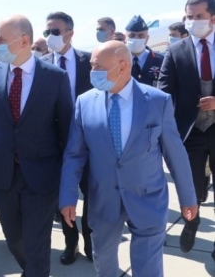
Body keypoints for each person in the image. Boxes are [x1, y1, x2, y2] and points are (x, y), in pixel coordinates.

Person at [60, 41, 198, 276]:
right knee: (103, 260)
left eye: (98, 66)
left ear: (122, 66)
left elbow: (175, 153)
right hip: (104, 199)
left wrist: (188, 198)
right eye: (92, 66)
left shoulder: (158, 101)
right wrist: (67, 196)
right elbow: (74, 154)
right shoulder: (85, 102)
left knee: (148, 267)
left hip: (148, 197)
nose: (93, 72)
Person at [0, 15, 73, 277]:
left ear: (24, 41)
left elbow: (67, 131)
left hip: (41, 176)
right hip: (1, 176)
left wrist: (70, 180)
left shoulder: (55, 78)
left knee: (36, 243)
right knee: (15, 240)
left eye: (1, 39)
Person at [158, 0, 215, 259]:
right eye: (189, 16)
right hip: (190, 133)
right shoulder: (176, 50)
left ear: (213, 18)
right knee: (192, 188)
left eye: (199, 16)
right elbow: (164, 90)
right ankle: (192, 222)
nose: (193, 21)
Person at [39, 12, 93, 264]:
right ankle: (71, 243)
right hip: (55, 142)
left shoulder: (89, 61)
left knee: (91, 192)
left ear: (70, 33)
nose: (50, 36)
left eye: (55, 31)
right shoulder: (40, 65)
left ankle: (91, 241)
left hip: (89, 139)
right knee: (64, 195)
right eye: (47, 32)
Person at [124, 15, 164, 87]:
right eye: (132, 35)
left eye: (141, 36)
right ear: (125, 37)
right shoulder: (117, 60)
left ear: (147, 38)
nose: (136, 39)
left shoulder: (160, 60)